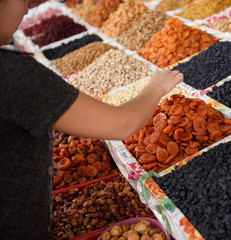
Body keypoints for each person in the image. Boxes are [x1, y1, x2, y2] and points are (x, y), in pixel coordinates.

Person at [0, 0, 184, 239]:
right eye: (22, 0)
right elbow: (122, 124)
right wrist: (157, 86)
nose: (27, 9)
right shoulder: (12, 74)